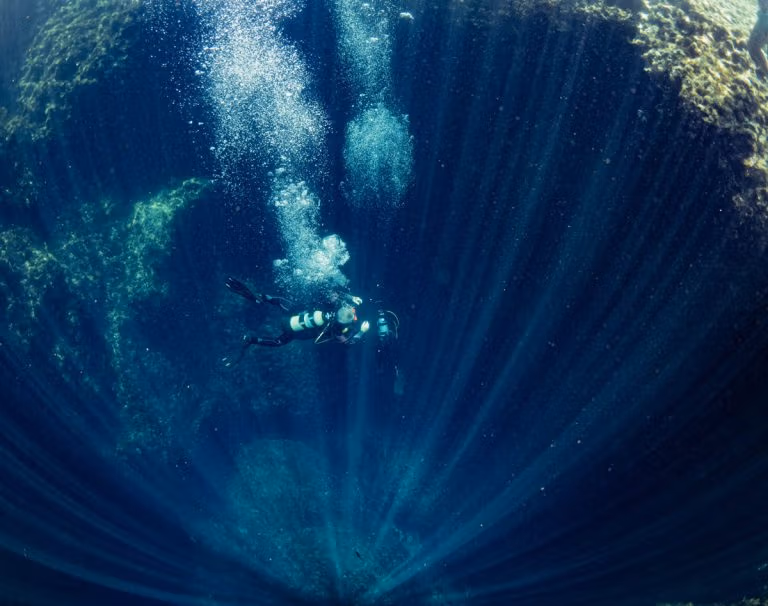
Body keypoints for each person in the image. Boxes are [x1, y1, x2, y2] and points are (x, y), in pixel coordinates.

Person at [222, 276, 373, 366]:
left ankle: (259, 298)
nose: (354, 313)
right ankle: (252, 339)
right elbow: (348, 343)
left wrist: (349, 297)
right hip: (293, 332)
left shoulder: (335, 307)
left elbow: (332, 292)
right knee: (277, 342)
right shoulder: (336, 330)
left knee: (278, 301)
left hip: (295, 314)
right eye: (353, 314)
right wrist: (362, 332)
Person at [748, 0, 768, 79]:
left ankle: (763, 70)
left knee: (754, 47)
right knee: (752, 45)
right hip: (764, 15)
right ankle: (761, 69)